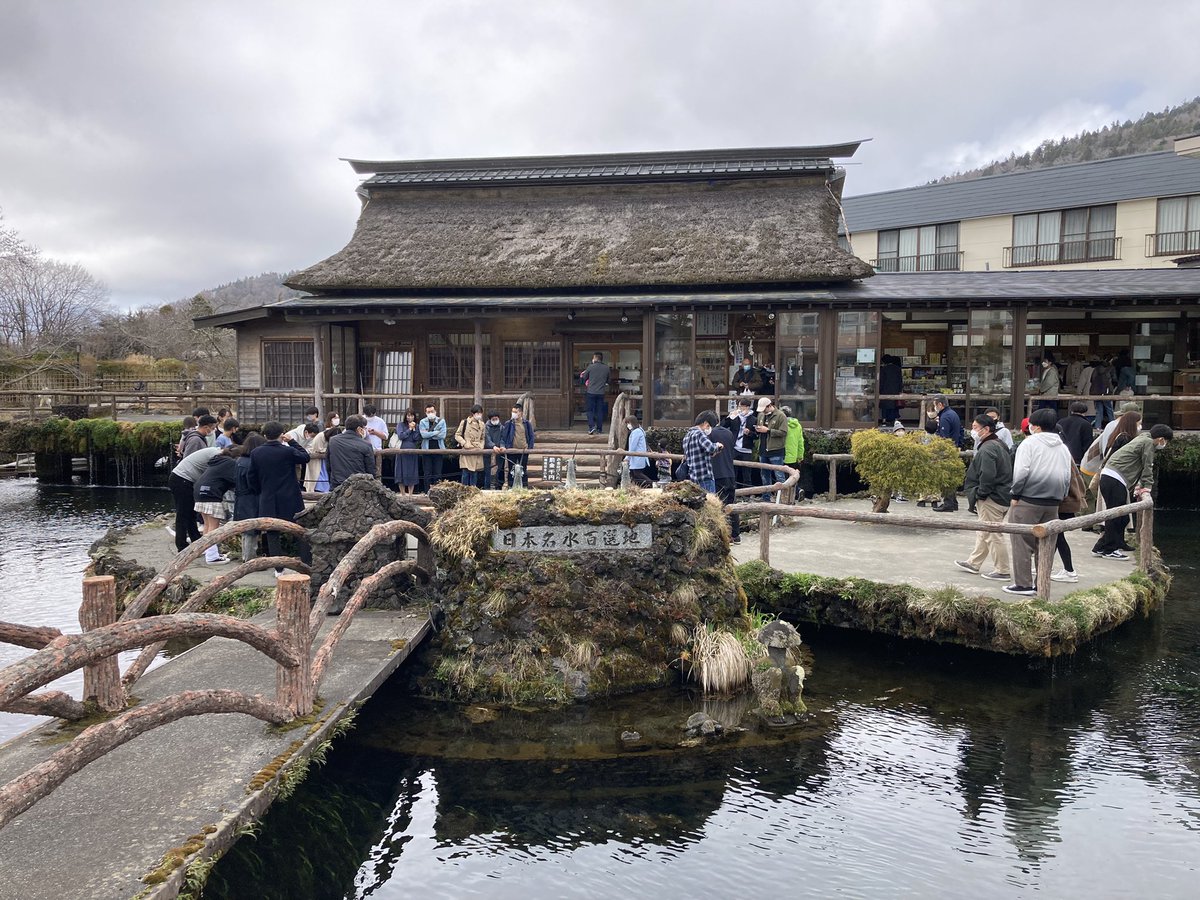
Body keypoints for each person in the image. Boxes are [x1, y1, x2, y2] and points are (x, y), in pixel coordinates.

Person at [1004, 408, 1074, 596]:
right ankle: (1040, 583)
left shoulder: (1029, 444)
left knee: (1021, 542)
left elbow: (1021, 472)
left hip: (1028, 499)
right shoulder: (1063, 447)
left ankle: (1023, 584)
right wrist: (1061, 497)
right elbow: (1067, 476)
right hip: (1053, 502)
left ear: (1036, 426)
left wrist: (1015, 495)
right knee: (1046, 545)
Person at [1092, 424, 1172, 559]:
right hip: (1114, 478)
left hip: (1111, 477)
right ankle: (1109, 550)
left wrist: (1138, 485)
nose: (1165, 445)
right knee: (1116, 516)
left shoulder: (1142, 438)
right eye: (1166, 441)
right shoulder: (1148, 443)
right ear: (1161, 439)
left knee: (1121, 517)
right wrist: (1147, 486)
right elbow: (1147, 465)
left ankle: (1101, 546)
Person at [248, 421, 311, 577]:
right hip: (291, 497)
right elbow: (305, 457)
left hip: (268, 497)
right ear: (281, 435)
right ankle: (306, 564)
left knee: (272, 533)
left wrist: (260, 491)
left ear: (264, 435)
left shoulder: (256, 453)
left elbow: (251, 477)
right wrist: (292, 441)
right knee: (299, 531)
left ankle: (278, 569)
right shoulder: (287, 452)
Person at [956, 415, 1013, 580]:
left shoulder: (988, 448)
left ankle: (1002, 570)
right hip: (1002, 493)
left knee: (993, 534)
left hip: (992, 497)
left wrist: (981, 493)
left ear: (986, 429)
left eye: (975, 427)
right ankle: (974, 562)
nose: (973, 431)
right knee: (984, 531)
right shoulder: (999, 444)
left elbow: (987, 475)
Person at [167, 443, 220, 551]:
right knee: (182, 514)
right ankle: (181, 546)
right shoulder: (216, 455)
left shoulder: (214, 452)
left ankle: (195, 539)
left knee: (191, 513)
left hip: (183, 479)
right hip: (181, 479)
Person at [194, 445, 241, 564]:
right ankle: (212, 557)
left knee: (207, 526)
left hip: (199, 493)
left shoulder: (217, 461)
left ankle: (206, 550)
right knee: (214, 527)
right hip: (211, 494)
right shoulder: (230, 463)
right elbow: (237, 480)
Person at [928, 395, 963, 512]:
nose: (934, 408)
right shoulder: (953, 414)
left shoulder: (945, 416)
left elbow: (944, 437)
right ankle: (953, 502)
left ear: (940, 405)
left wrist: (938, 450)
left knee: (946, 477)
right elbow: (961, 431)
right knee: (951, 476)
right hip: (954, 447)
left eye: (935, 405)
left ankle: (948, 503)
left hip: (947, 451)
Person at [234, 432, 265, 562]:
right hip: (250, 498)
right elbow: (252, 482)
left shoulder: (240, 460)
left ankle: (247, 556)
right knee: (250, 529)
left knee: (246, 529)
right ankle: (249, 558)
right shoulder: (250, 463)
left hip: (241, 498)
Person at [709, 413, 741, 543]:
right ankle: (735, 534)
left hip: (716, 473)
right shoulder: (728, 433)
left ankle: (724, 535)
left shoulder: (709, 434)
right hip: (730, 472)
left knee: (719, 505)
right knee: (731, 503)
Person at [327, 414, 376, 490]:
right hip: (359, 486)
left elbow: (328, 464)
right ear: (359, 429)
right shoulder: (366, 445)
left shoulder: (333, 441)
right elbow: (370, 469)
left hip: (337, 485)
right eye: (364, 428)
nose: (365, 430)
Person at [754, 396, 788, 501]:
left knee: (779, 475)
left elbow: (783, 432)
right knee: (764, 475)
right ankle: (766, 497)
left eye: (764, 409)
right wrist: (757, 430)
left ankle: (783, 498)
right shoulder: (760, 415)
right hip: (763, 449)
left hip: (776, 450)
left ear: (769, 406)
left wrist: (768, 431)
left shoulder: (781, 416)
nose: (763, 412)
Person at [722, 397, 758, 492]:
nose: (739, 408)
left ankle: (747, 494)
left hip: (747, 449)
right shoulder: (735, 417)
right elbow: (723, 426)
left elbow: (757, 436)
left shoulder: (753, 419)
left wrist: (749, 433)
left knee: (747, 473)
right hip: (734, 448)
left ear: (747, 407)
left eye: (741, 406)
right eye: (738, 406)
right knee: (733, 471)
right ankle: (733, 492)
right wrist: (729, 417)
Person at [682, 411, 722, 494]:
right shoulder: (700, 433)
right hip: (704, 476)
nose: (709, 429)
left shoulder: (687, 436)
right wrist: (718, 445)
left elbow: (698, 452)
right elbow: (711, 448)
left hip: (693, 477)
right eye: (709, 426)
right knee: (710, 503)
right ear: (705, 423)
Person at [499, 403, 535, 487]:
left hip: (524, 450)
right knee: (512, 469)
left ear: (520, 412)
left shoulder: (526, 423)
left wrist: (530, 448)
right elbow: (504, 437)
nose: (513, 413)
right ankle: (511, 486)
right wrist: (503, 446)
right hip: (512, 450)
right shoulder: (509, 423)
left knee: (523, 469)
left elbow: (531, 436)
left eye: (515, 411)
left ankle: (524, 486)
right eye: (512, 411)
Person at [580, 352, 612, 435]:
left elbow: (584, 378)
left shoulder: (590, 367)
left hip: (591, 392)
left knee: (590, 410)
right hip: (601, 392)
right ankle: (599, 429)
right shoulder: (606, 368)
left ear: (595, 358)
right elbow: (609, 381)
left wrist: (584, 377)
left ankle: (591, 427)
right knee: (599, 411)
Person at [390, 409, 421, 494]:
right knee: (400, 470)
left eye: (412, 415)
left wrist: (414, 429)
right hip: (401, 449)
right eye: (408, 415)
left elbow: (416, 438)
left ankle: (410, 494)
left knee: (412, 471)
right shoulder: (400, 424)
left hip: (412, 450)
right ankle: (403, 493)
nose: (410, 417)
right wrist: (409, 429)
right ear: (405, 416)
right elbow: (401, 436)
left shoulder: (417, 426)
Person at [418, 403, 447, 492]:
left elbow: (442, 435)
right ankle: (427, 491)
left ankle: (437, 492)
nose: (430, 413)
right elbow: (423, 435)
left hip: (439, 450)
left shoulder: (441, 421)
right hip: (426, 450)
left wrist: (429, 434)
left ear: (435, 411)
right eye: (428, 411)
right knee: (427, 473)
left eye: (432, 411)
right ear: (425, 412)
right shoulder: (422, 422)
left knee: (437, 473)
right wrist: (435, 432)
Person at [456, 404, 487, 487]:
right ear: (473, 413)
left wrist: (481, 446)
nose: (479, 415)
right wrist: (464, 443)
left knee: (474, 473)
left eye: (480, 413)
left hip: (477, 450)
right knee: (465, 473)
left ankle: (473, 491)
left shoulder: (482, 424)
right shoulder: (465, 422)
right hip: (467, 449)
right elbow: (457, 435)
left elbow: (483, 438)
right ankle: (463, 491)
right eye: (477, 413)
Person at [624, 415, 653, 487]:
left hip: (637, 456)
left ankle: (651, 483)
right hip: (638, 457)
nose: (628, 425)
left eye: (628, 423)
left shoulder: (636, 432)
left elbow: (632, 447)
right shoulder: (640, 430)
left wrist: (627, 457)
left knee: (637, 473)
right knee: (634, 474)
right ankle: (640, 486)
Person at [362, 404, 389, 476]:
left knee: (374, 472)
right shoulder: (360, 420)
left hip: (376, 450)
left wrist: (375, 432)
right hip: (362, 450)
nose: (370, 417)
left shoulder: (380, 421)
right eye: (368, 415)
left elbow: (385, 436)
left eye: (371, 415)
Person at [879, 354, 903, 425]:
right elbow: (900, 380)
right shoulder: (897, 369)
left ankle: (884, 420)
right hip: (895, 390)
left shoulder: (883, 369)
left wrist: (879, 390)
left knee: (885, 406)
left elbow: (881, 381)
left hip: (885, 391)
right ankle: (896, 420)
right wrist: (900, 390)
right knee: (895, 405)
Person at [483, 411, 504, 490]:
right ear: (490, 419)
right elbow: (487, 439)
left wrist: (502, 446)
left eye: (496, 418)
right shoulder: (486, 427)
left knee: (499, 471)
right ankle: (487, 488)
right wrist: (493, 446)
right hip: (488, 453)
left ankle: (498, 488)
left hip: (499, 453)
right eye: (493, 419)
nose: (495, 420)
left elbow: (503, 438)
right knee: (488, 473)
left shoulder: (502, 427)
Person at [1091, 358, 1115, 428]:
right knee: (1109, 410)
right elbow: (1114, 380)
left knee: (1099, 411)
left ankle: (1097, 427)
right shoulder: (1110, 369)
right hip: (1106, 392)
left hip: (1097, 392)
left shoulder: (1096, 370)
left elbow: (1092, 380)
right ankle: (1112, 427)